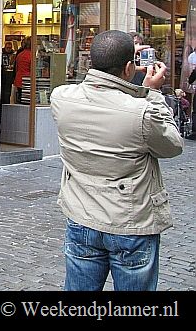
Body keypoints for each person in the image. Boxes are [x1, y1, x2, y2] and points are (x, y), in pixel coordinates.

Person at [50, 30, 184, 291]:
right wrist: (151, 93)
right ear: (128, 68)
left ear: (91, 63)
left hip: (82, 216)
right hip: (130, 222)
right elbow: (172, 146)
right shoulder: (142, 111)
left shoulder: (60, 98)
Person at [11, 36, 32, 103]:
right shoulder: (31, 55)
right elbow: (32, 69)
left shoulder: (19, 55)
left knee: (20, 100)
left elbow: (16, 68)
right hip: (28, 80)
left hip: (19, 79)